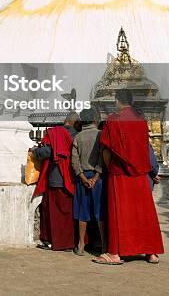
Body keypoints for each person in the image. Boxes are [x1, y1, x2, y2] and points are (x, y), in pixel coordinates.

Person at [93, 90, 164, 265]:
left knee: (119, 213)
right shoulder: (141, 121)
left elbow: (107, 149)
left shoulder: (113, 120)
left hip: (120, 174)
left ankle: (115, 254)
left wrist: (111, 168)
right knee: (144, 212)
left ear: (117, 101)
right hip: (140, 174)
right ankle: (151, 252)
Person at [32, 112, 80, 251]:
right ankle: (70, 243)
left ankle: (55, 241)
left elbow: (45, 152)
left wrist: (35, 151)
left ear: (65, 121)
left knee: (53, 212)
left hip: (57, 178)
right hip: (74, 178)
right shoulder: (78, 135)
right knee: (69, 214)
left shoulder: (56, 133)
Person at [71, 108, 105, 256]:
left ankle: (81, 245)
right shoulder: (100, 135)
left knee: (82, 212)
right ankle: (104, 245)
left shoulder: (78, 137)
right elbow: (102, 157)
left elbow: (74, 160)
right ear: (94, 120)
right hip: (98, 178)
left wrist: (83, 177)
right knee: (100, 212)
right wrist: (96, 177)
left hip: (82, 178)